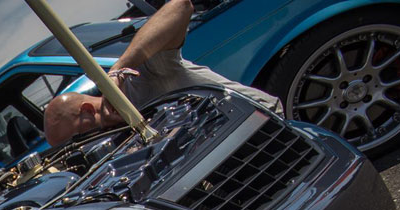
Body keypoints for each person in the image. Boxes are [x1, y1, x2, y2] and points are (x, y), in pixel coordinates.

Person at [43, 0, 282, 148]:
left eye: (80, 136)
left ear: (86, 109)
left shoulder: (141, 77)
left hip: (266, 126)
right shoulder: (121, 143)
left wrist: (118, 71)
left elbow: (180, 6)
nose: (88, 144)